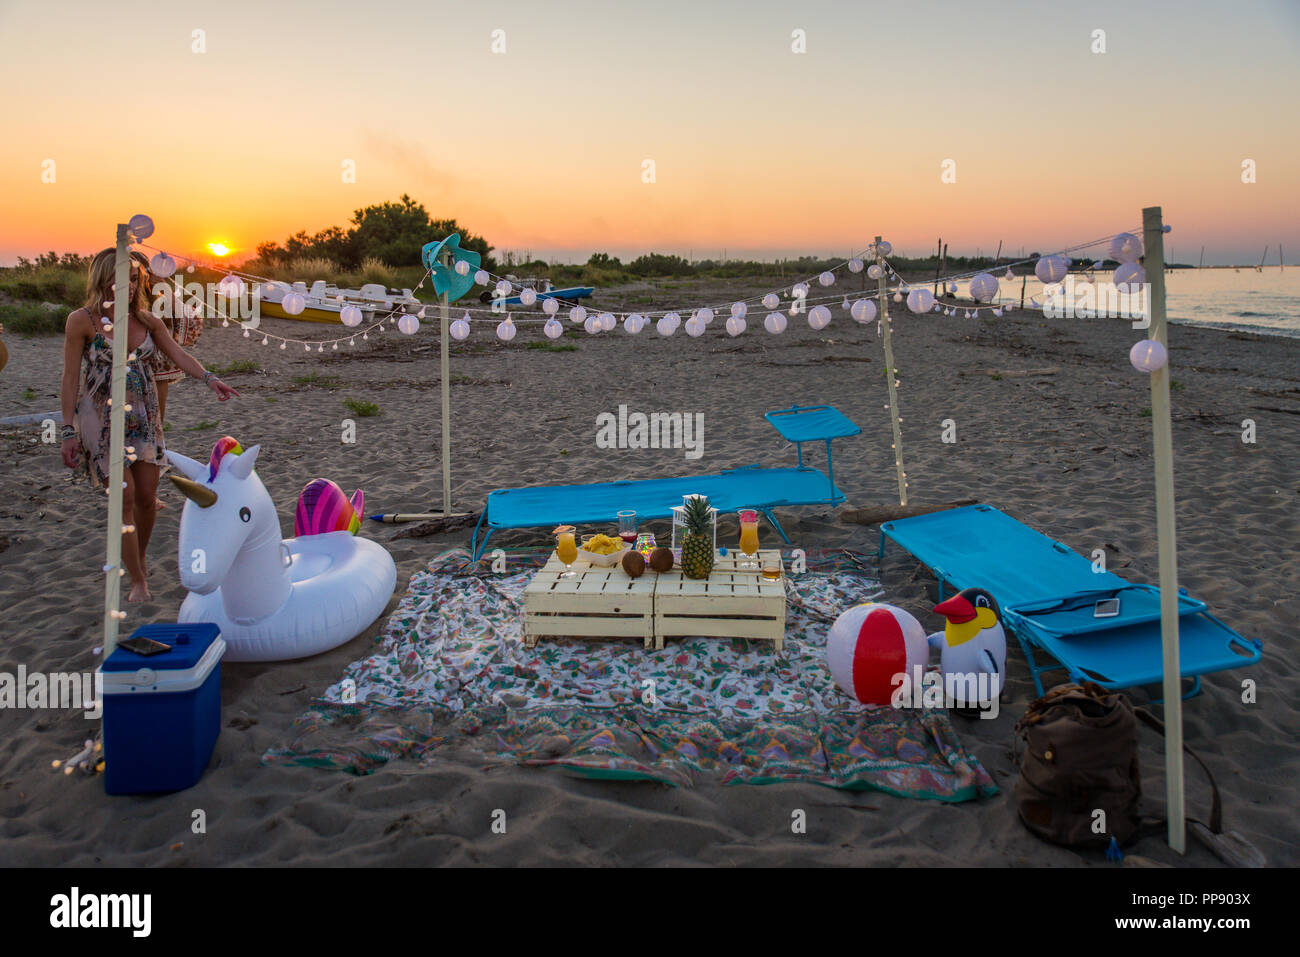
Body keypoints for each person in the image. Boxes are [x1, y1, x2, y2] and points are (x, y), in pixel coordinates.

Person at [59, 248, 239, 602]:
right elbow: (68, 378)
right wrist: (67, 431)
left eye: (130, 276)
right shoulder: (81, 321)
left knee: (146, 497)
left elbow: (178, 354)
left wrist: (209, 378)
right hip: (100, 418)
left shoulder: (147, 319)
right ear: (102, 278)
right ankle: (138, 580)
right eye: (115, 276)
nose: (122, 283)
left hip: (144, 417)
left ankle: (137, 557)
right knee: (123, 497)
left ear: (139, 280)